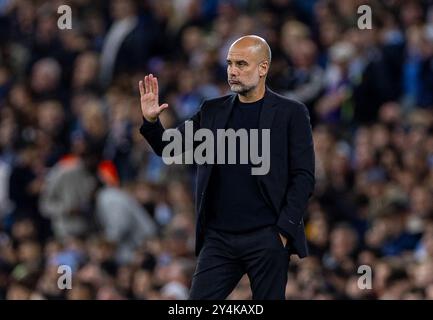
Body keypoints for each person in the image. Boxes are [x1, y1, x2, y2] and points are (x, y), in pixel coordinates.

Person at [138, 35, 315, 299]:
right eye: (230, 63)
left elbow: (304, 176)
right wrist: (152, 122)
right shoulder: (212, 110)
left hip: (267, 237)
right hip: (219, 239)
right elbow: (169, 148)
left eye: (242, 64)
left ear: (263, 68)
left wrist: (283, 231)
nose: (233, 71)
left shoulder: (291, 112)